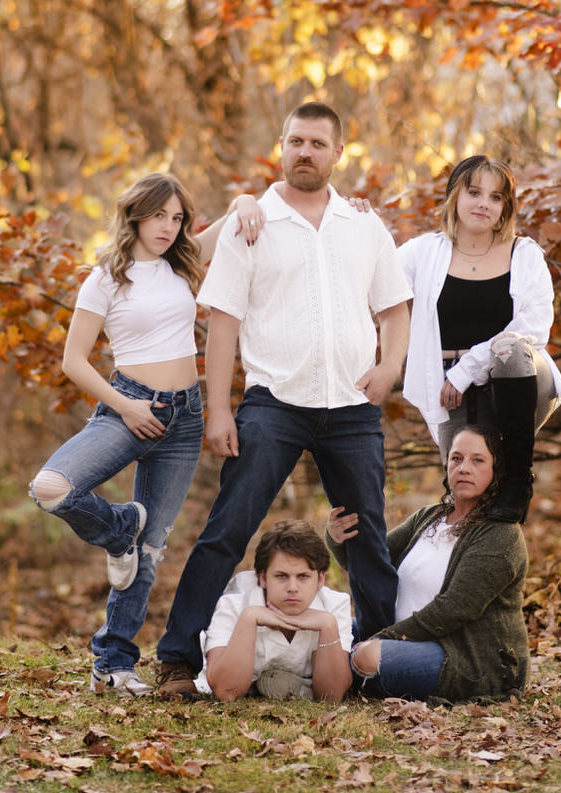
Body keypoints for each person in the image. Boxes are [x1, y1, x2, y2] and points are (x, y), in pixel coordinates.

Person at [151, 101, 413, 698]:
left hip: (350, 407)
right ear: (281, 145)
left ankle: (384, 660)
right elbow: (223, 321)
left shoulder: (363, 225)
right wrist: (221, 408)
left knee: (366, 534)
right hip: (274, 403)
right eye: (296, 141)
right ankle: (175, 660)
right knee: (229, 528)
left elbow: (395, 309)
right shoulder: (254, 222)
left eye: (318, 143)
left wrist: (389, 366)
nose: (305, 152)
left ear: (338, 153)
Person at [29, 172, 266, 696]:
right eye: (159, 215)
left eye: (178, 218)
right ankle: (119, 530)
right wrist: (125, 406)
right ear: (135, 214)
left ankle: (113, 662)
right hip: (128, 407)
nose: (169, 226)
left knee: (152, 549)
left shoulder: (181, 262)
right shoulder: (106, 279)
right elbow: (74, 360)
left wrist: (247, 196)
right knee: (52, 488)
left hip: (184, 418)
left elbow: (235, 218)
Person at [398, 154, 561, 522]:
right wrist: (352, 214)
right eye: (474, 192)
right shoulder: (423, 253)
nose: (484, 204)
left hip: (511, 382)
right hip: (446, 386)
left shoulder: (524, 254)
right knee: (465, 497)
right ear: (454, 196)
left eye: (496, 197)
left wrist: (468, 368)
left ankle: (520, 480)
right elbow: (370, 275)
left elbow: (536, 326)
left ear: (506, 207)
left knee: (509, 349)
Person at [327, 423, 528, 703]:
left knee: (367, 656)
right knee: (326, 626)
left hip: (463, 658)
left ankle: (328, 673)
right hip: (400, 635)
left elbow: (454, 609)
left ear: (496, 470)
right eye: (456, 458)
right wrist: (338, 538)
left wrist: (383, 639)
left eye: (478, 460)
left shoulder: (501, 534)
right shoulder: (429, 517)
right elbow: (373, 564)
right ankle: (317, 669)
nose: (464, 468)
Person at [195, 519, 353, 701]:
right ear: (263, 578)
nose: (292, 587)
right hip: (238, 679)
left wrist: (328, 625)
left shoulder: (334, 605)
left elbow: (331, 696)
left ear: (320, 579)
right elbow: (226, 691)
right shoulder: (235, 604)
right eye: (281, 576)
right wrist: (249, 618)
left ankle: (299, 684)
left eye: (303, 576)